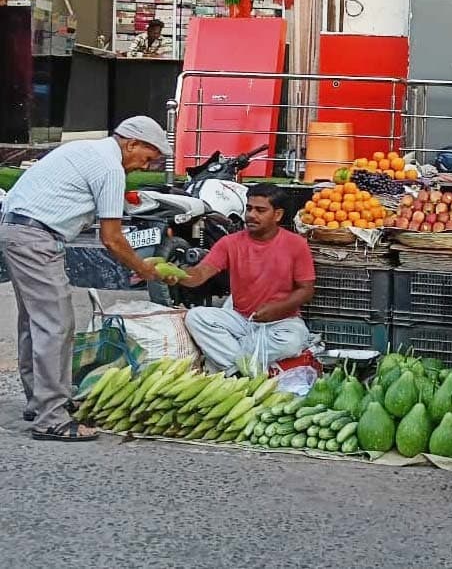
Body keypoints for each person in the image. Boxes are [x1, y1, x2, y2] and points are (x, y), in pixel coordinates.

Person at [0, 116, 171, 441]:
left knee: (35, 323)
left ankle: (40, 403)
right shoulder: (109, 167)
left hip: (17, 228)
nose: (143, 167)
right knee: (56, 325)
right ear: (131, 143)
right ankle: (52, 417)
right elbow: (112, 238)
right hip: (37, 237)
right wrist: (142, 267)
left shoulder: (87, 150)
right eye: (146, 158)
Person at [173, 184, 315, 373]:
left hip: (282, 322)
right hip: (240, 320)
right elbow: (200, 273)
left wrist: (279, 308)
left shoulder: (296, 244)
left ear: (278, 215)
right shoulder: (230, 242)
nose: (251, 215)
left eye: (260, 210)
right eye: (249, 208)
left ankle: (232, 362)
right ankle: (242, 368)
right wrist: (177, 275)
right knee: (196, 317)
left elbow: (306, 290)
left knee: (292, 342)